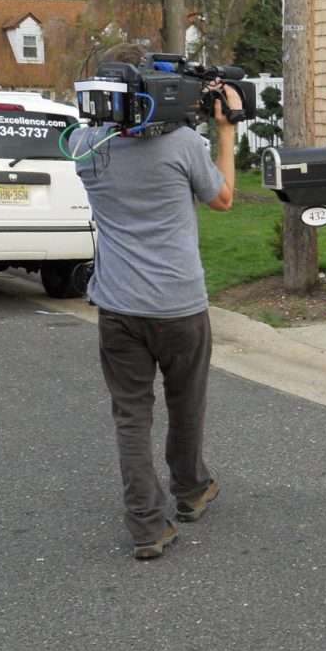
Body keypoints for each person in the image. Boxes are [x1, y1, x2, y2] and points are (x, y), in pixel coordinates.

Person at [71, 43, 242, 560]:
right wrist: (226, 131)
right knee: (185, 404)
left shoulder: (84, 144)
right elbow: (223, 199)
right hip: (179, 304)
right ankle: (190, 491)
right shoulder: (185, 144)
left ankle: (146, 526)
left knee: (132, 416)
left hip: (118, 307)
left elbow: (109, 137)